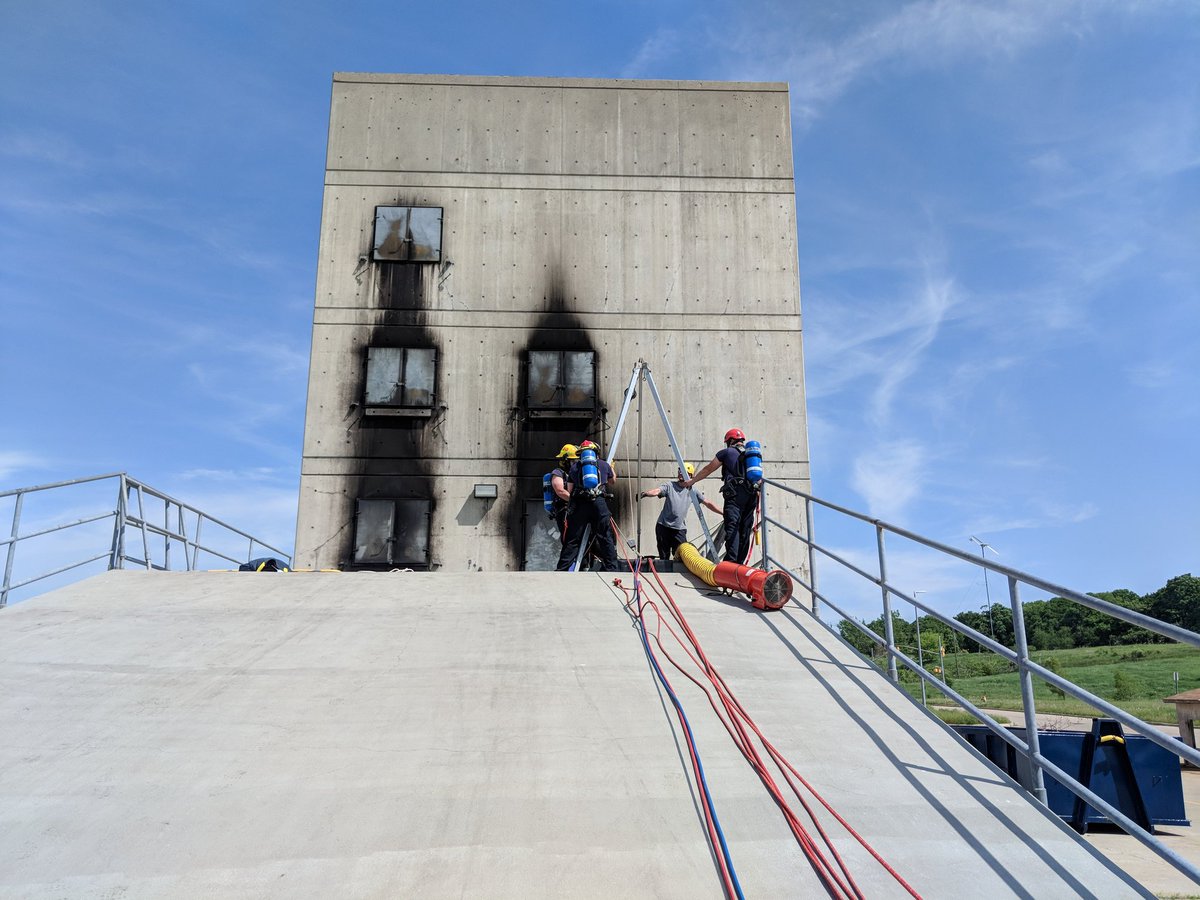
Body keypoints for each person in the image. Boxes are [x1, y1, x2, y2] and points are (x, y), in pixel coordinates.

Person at [684, 428, 759, 564]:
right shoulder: (751, 456)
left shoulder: (726, 452)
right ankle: (740, 564)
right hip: (751, 495)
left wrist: (692, 480)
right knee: (745, 529)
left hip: (735, 496)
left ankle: (731, 563)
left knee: (733, 527)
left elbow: (708, 469)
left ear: (729, 441)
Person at [556, 439, 619, 571]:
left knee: (573, 538)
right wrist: (610, 468)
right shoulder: (603, 464)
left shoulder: (575, 467)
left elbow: (570, 490)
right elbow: (612, 481)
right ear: (596, 452)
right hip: (599, 504)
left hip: (581, 504)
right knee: (605, 536)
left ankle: (562, 568)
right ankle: (612, 568)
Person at [640, 463, 722, 560]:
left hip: (679, 529)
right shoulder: (670, 486)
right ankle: (665, 574)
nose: (680, 473)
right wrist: (645, 494)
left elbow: (708, 503)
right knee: (664, 556)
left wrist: (723, 513)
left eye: (683, 471)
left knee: (681, 555)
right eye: (679, 470)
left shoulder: (692, 491)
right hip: (663, 526)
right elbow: (658, 491)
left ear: (690, 475)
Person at [547, 444, 578, 541]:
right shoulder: (558, 473)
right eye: (573, 461)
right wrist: (576, 501)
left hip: (575, 509)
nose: (575, 463)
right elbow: (560, 491)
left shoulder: (575, 473)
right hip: (564, 509)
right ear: (565, 461)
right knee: (568, 539)